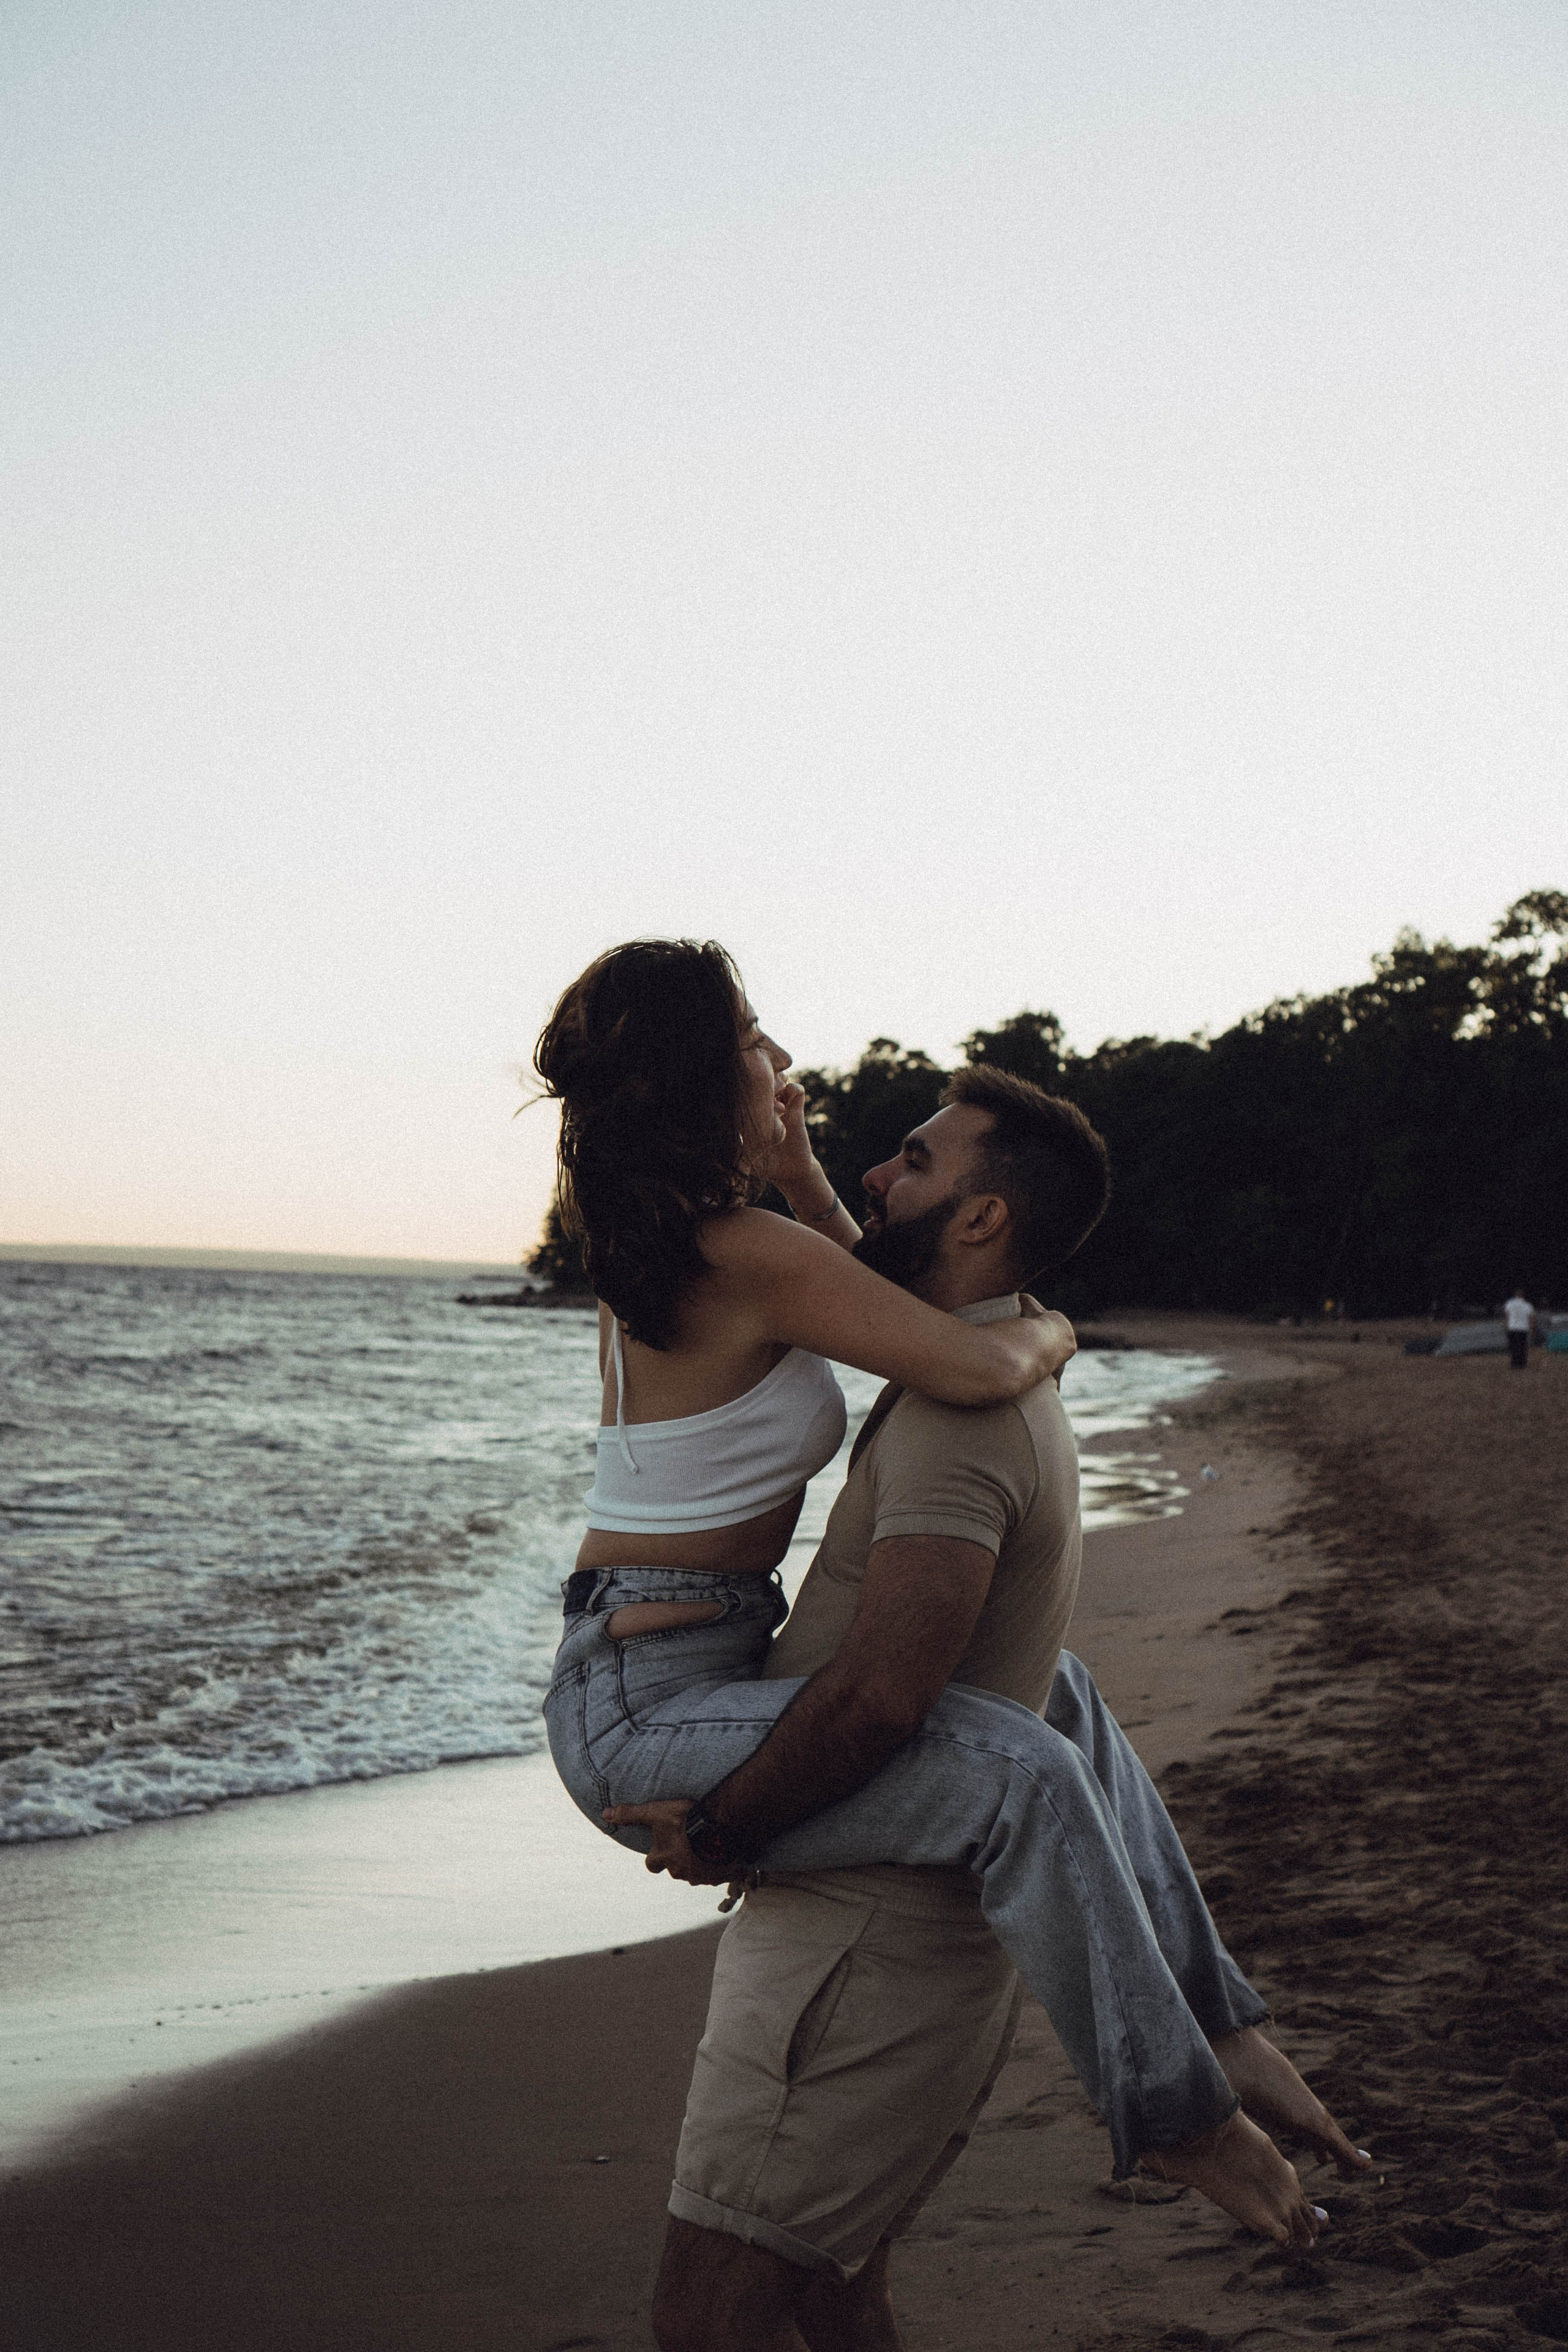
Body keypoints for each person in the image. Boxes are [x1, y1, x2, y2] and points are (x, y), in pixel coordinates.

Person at [537, 940, 1339, 2280]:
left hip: (679, 1656)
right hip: (641, 1710)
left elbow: (889, 1306)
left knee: (1049, 1689)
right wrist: (1059, 1331)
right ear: (697, 1074)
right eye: (751, 1038)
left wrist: (802, 1172)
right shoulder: (741, 1251)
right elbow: (966, 1359)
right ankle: (1178, 2115)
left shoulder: (702, 1240)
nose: (779, 1061)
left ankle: (1216, 2019)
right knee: (1019, 1764)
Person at [1504, 1287, 1536, 1370]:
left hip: (1512, 1328)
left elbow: (1507, 1316)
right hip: (1523, 1328)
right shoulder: (1528, 1305)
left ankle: (1514, 1363)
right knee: (1522, 1346)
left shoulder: (1509, 1303)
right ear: (1523, 1296)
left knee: (1514, 1346)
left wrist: (1506, 1326)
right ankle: (1522, 1364)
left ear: (1515, 1295)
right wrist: (1533, 1327)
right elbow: (1532, 1317)